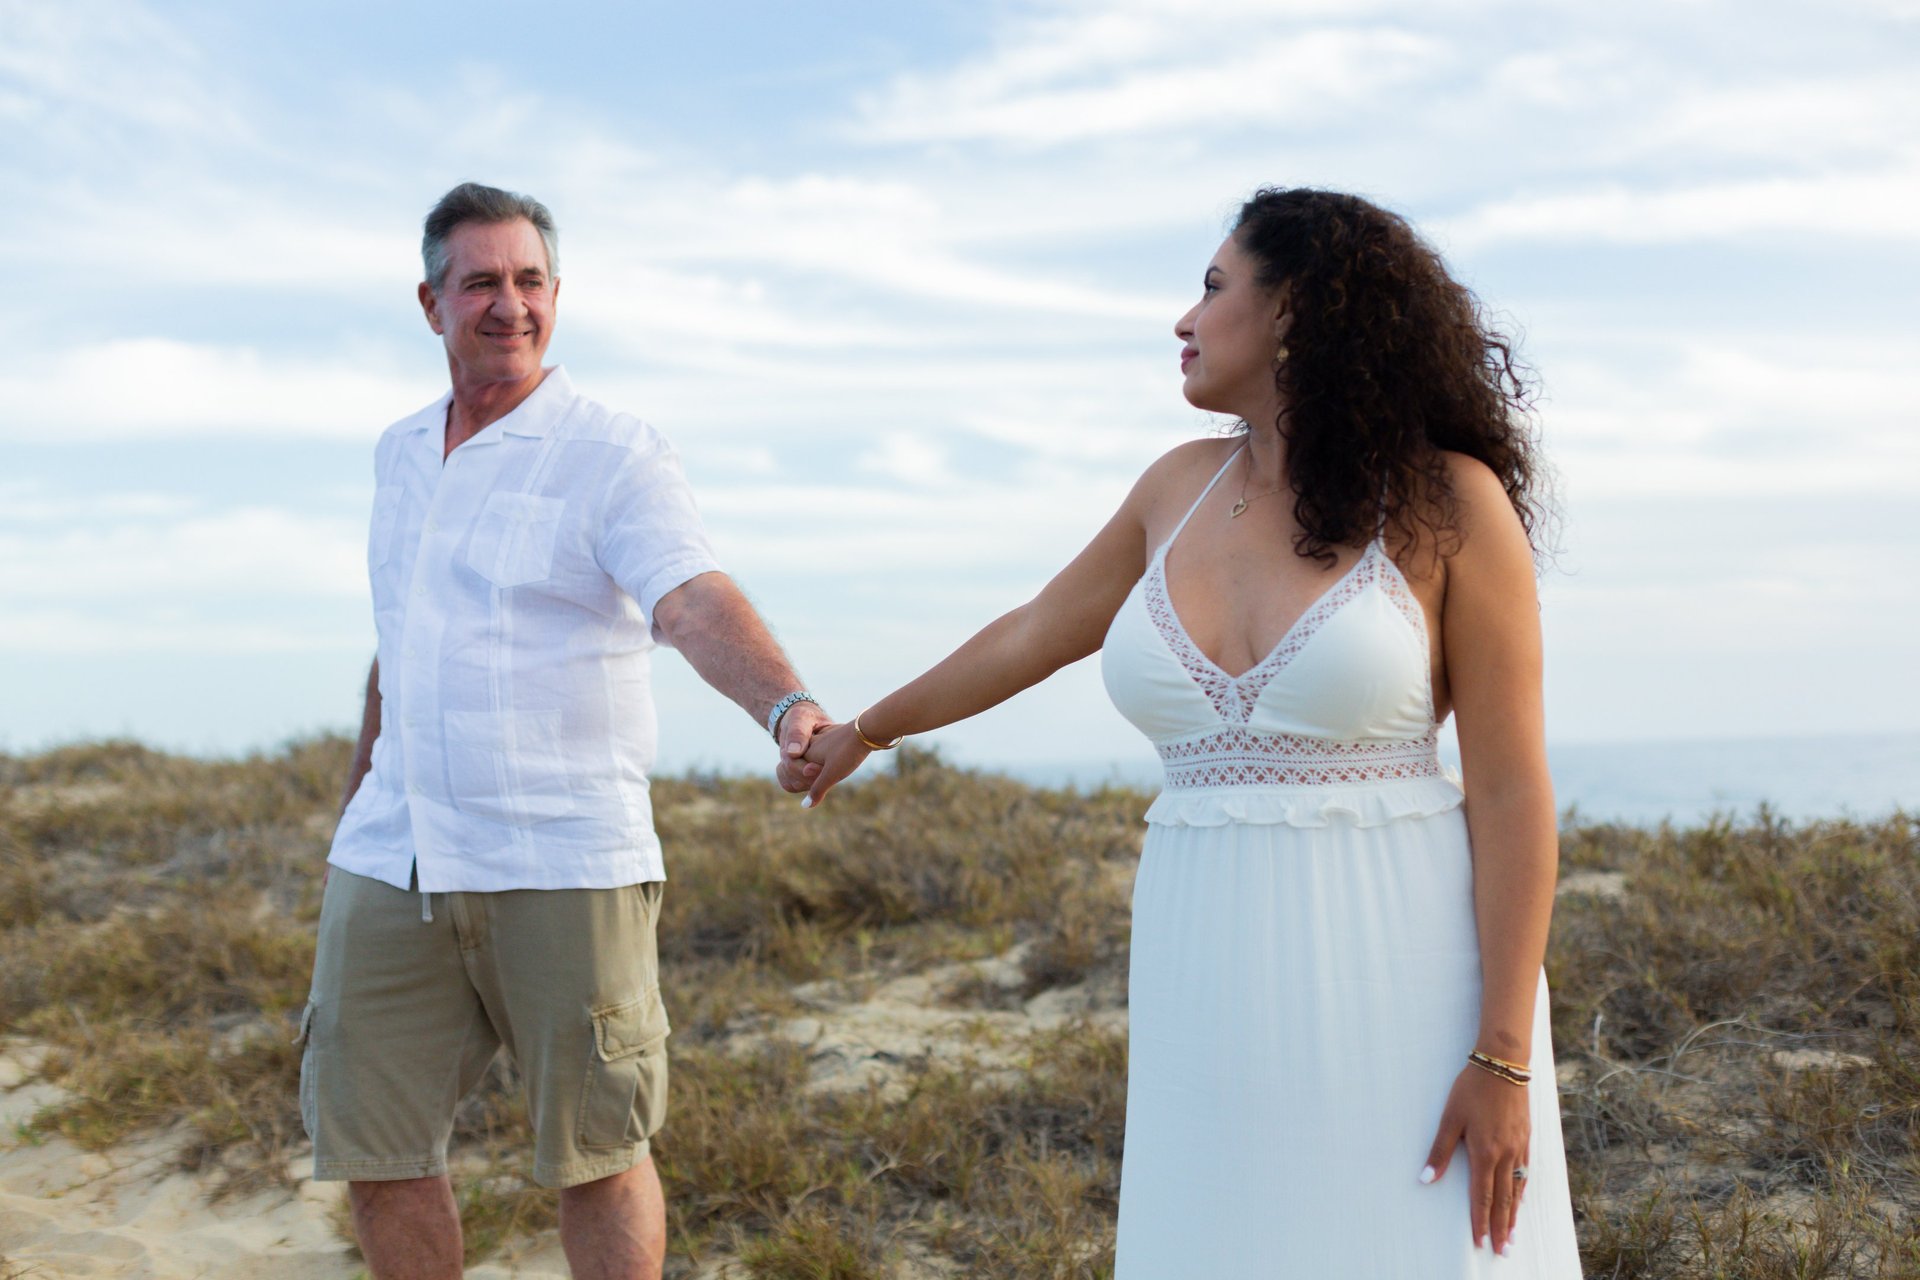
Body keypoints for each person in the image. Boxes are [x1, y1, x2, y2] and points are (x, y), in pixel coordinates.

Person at [800, 188, 1583, 1276]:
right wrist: (869, 730)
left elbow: (1510, 792)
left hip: (1401, 967)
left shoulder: (1451, 503)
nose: (1185, 317)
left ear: (1298, 312)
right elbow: (1036, 629)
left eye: (1214, 288)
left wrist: (1502, 1055)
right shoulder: (1175, 485)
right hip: (1204, 962)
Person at [301, 181, 826, 1280]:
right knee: (377, 1151)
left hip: (561, 854)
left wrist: (784, 703)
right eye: (481, 281)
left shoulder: (614, 451)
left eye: (529, 280)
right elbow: (399, 638)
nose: (509, 304)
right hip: (394, 854)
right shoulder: (400, 452)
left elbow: (686, 596)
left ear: (556, 293)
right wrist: (359, 794)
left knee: (597, 1152)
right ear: (430, 300)